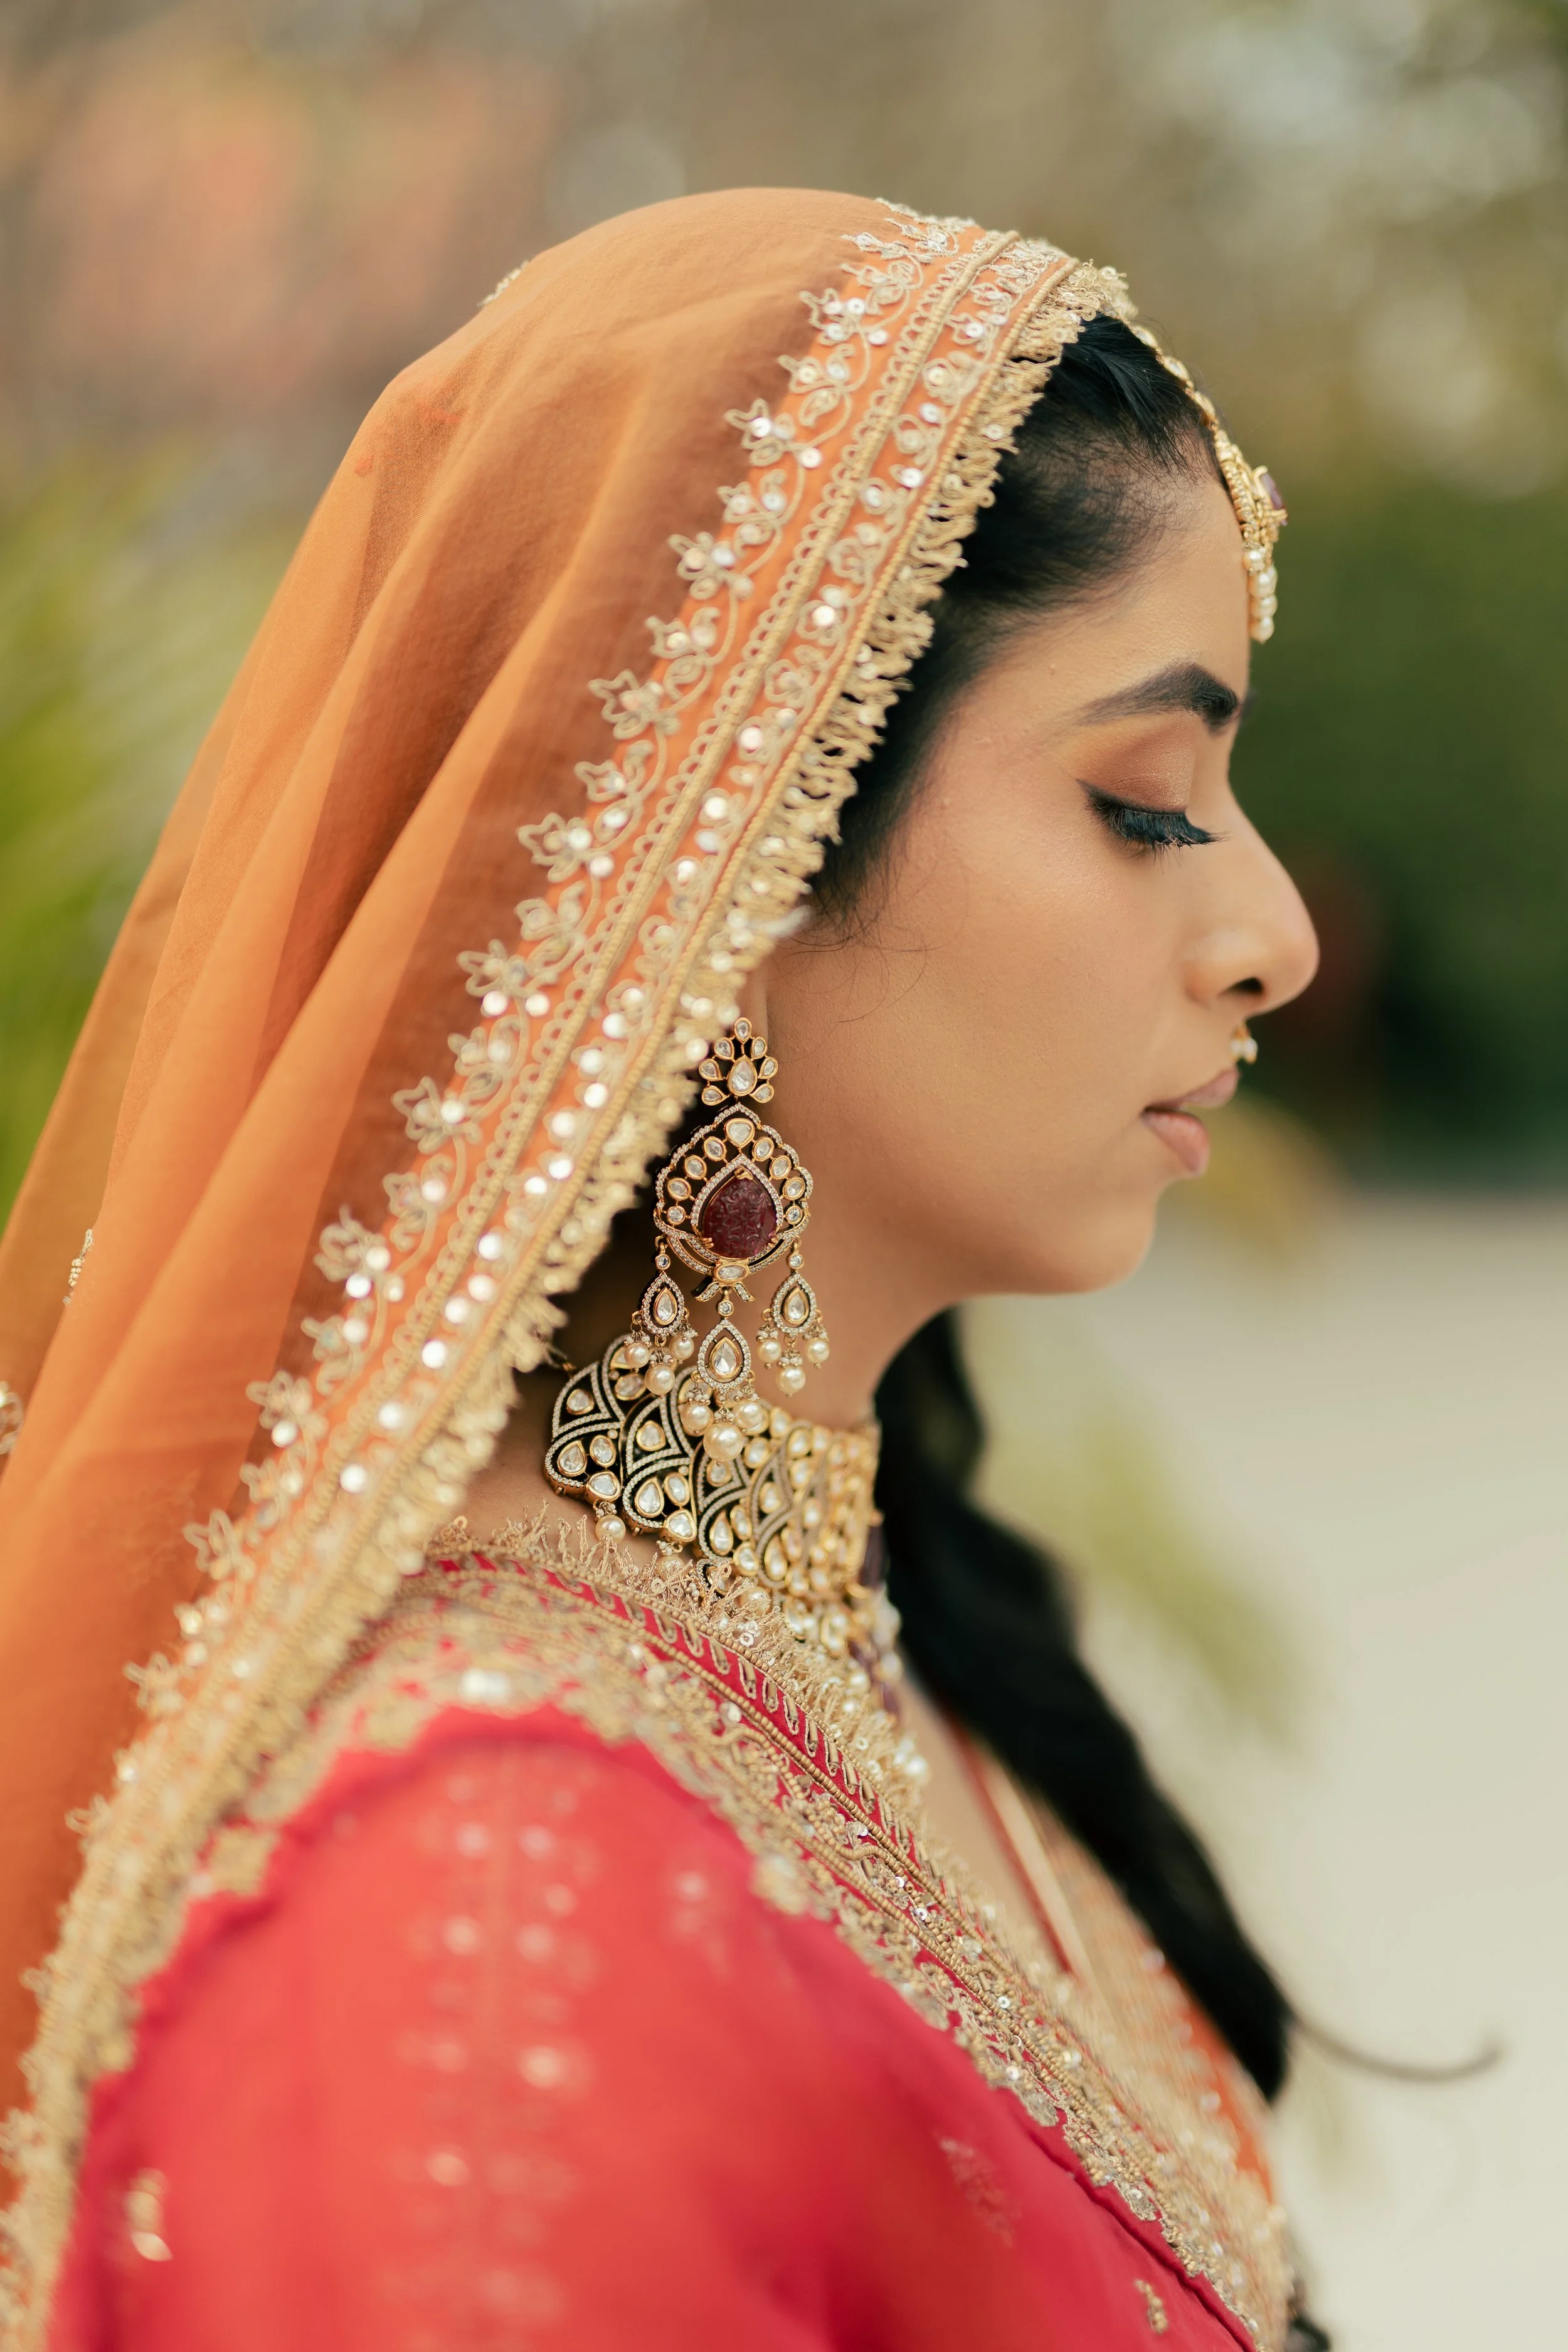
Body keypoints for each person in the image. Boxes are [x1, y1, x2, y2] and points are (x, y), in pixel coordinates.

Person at [0, 191, 1322, 2351]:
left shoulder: (891, 1640)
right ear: (725, 844)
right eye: (1144, 799)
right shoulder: (480, 1899)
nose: (1272, 932)